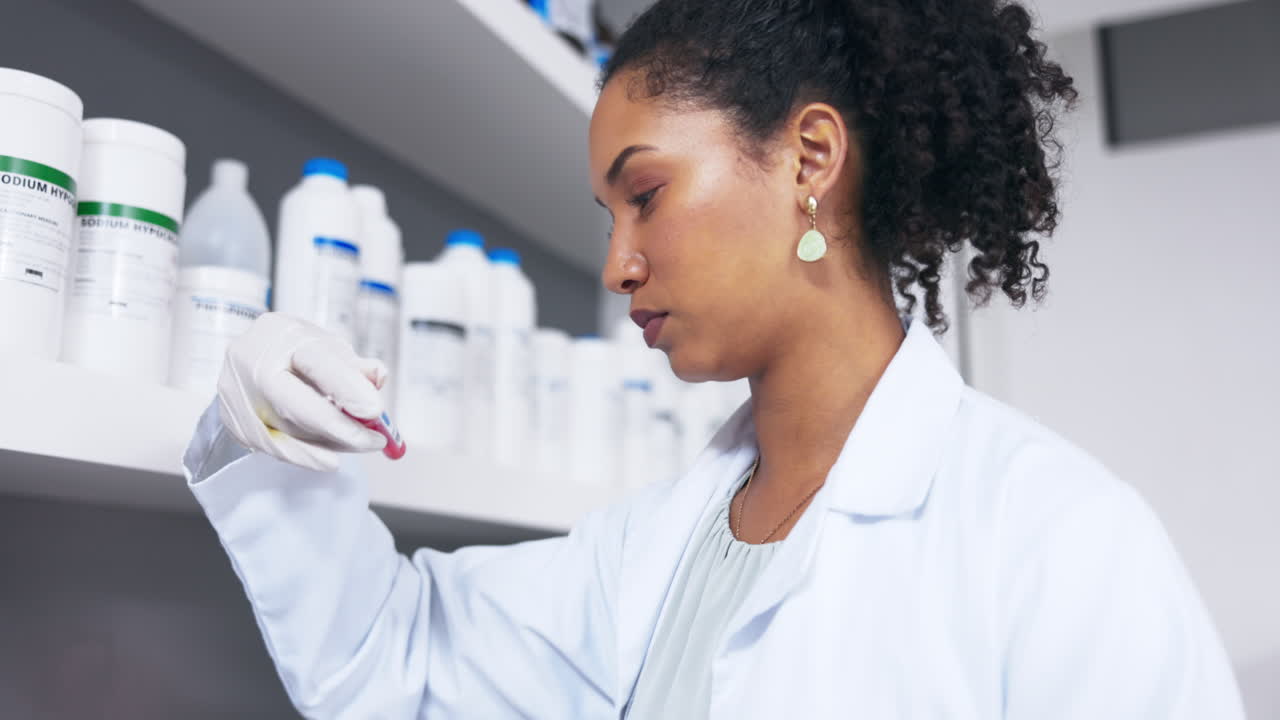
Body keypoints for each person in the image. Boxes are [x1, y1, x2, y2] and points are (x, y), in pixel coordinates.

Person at [187, 1, 1245, 717]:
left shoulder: (1053, 539)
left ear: (808, 159)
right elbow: (393, 658)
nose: (615, 265)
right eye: (604, 216)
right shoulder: (652, 548)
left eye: (643, 195)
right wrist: (257, 425)